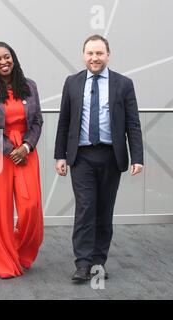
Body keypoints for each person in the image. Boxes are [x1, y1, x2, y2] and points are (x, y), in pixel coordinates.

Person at [54, 34, 144, 282]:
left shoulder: (123, 84)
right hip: (81, 157)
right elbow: (64, 123)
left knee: (104, 210)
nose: (94, 58)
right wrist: (60, 156)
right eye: (90, 53)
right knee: (85, 208)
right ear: (84, 55)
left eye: (99, 53)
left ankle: (98, 262)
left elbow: (133, 124)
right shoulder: (71, 83)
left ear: (108, 55)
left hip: (111, 156)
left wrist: (137, 156)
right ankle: (82, 263)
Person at [0, 41, 44, 279]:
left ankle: (20, 252)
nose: (3, 62)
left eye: (7, 57)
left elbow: (37, 122)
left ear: (13, 58)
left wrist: (25, 147)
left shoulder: (30, 86)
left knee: (31, 207)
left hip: (27, 152)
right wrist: (9, 149)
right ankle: (2, 260)